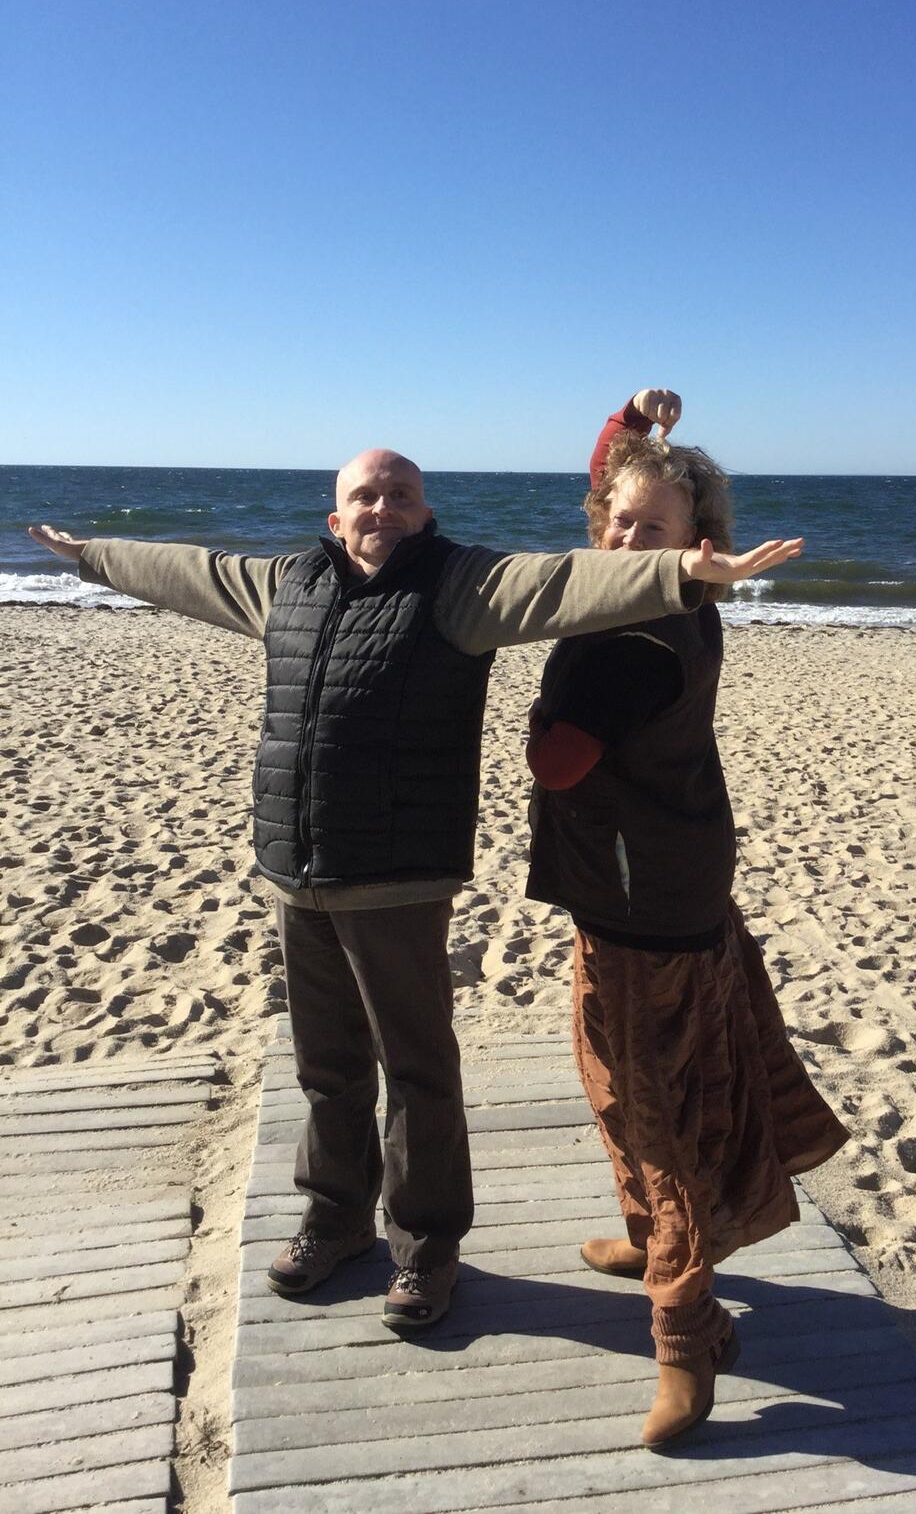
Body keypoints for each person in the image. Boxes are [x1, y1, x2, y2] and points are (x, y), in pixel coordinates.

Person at [29, 445, 803, 1332]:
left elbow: (562, 585)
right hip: (299, 866)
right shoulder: (290, 584)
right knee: (326, 1068)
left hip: (398, 873)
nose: (382, 505)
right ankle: (334, 1220)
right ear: (336, 516)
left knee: (418, 1071)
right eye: (365, 494)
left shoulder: (458, 587)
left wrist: (680, 573)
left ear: (423, 510)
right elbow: (191, 571)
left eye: (401, 493)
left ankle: (427, 1248)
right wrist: (92, 554)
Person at [524, 393, 848, 1445]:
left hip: (640, 905)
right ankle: (642, 1237)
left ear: (696, 545)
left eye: (650, 529)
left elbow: (555, 761)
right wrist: (624, 422)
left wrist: (544, 669)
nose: (625, 538)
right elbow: (607, 489)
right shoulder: (674, 601)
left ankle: (684, 1333)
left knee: (649, 1108)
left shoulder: (625, 640)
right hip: (674, 874)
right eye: (616, 522)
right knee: (625, 1076)